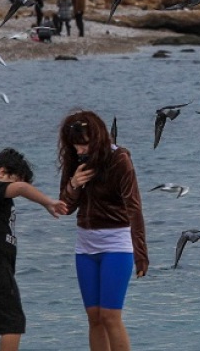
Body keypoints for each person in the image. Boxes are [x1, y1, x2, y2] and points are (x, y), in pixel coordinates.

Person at [58, 110, 149, 351]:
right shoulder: (75, 160)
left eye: (84, 145)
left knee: (110, 316)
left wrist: (141, 254)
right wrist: (74, 185)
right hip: (85, 245)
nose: (80, 150)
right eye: (75, 145)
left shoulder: (119, 160)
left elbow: (134, 209)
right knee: (94, 318)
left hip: (116, 243)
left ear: (97, 139)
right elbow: (65, 208)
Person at [0, 148, 66, 351]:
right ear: (2, 172)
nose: (16, 189)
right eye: (16, 179)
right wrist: (48, 202)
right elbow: (19, 188)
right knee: (13, 322)